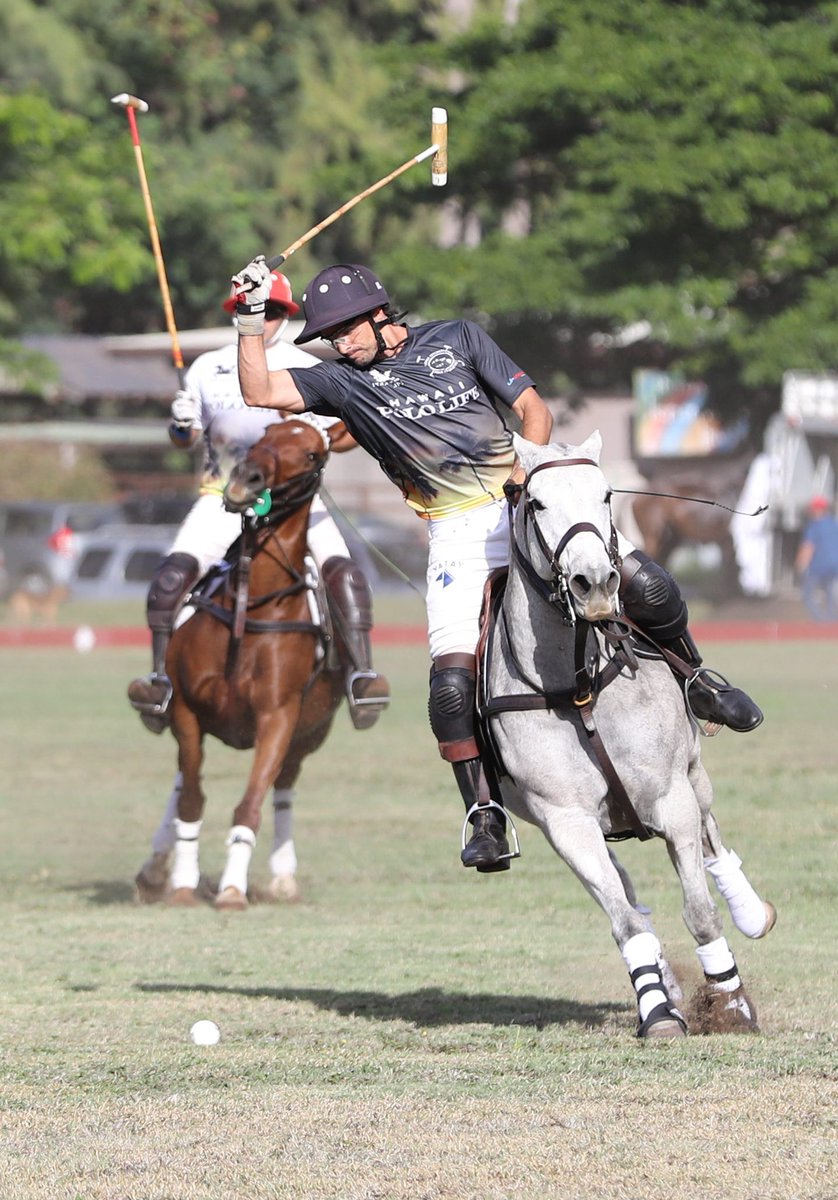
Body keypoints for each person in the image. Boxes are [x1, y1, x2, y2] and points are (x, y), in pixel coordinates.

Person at [229, 255, 763, 872]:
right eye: (330, 335)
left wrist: (527, 468)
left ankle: (698, 680)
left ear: (380, 313)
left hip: (522, 502)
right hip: (454, 536)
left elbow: (534, 409)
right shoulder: (342, 383)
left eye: (347, 327)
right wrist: (248, 315)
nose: (340, 343)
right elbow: (259, 391)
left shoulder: (458, 338)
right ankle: (483, 811)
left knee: (645, 582)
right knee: (450, 683)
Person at [127, 267, 390, 734]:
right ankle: (160, 681)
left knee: (344, 573)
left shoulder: (311, 367)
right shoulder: (208, 366)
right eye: (254, 310)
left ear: (287, 315)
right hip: (223, 496)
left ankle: (360, 675)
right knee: (170, 578)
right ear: (237, 312)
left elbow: (352, 426)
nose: (263, 318)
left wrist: (325, 441)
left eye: (274, 312)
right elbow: (184, 441)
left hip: (295, 502)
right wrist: (181, 425)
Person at [794, 495, 838, 622]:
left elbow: (808, 547)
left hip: (818, 567)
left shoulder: (814, 526)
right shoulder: (834, 524)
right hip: (835, 566)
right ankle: (832, 622)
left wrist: (800, 565)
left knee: (807, 594)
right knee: (829, 594)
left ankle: (821, 622)